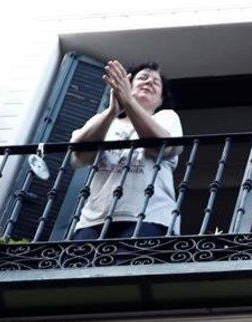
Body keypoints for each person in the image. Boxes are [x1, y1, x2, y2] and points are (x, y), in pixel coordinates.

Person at [69, 60, 183, 240]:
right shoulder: (103, 120)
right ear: (127, 86)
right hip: (93, 219)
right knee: (78, 266)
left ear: (161, 100)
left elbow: (160, 146)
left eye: (155, 82)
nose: (149, 82)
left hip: (149, 216)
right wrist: (112, 111)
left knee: (127, 267)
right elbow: (80, 154)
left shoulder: (166, 117)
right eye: (143, 78)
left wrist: (129, 101)